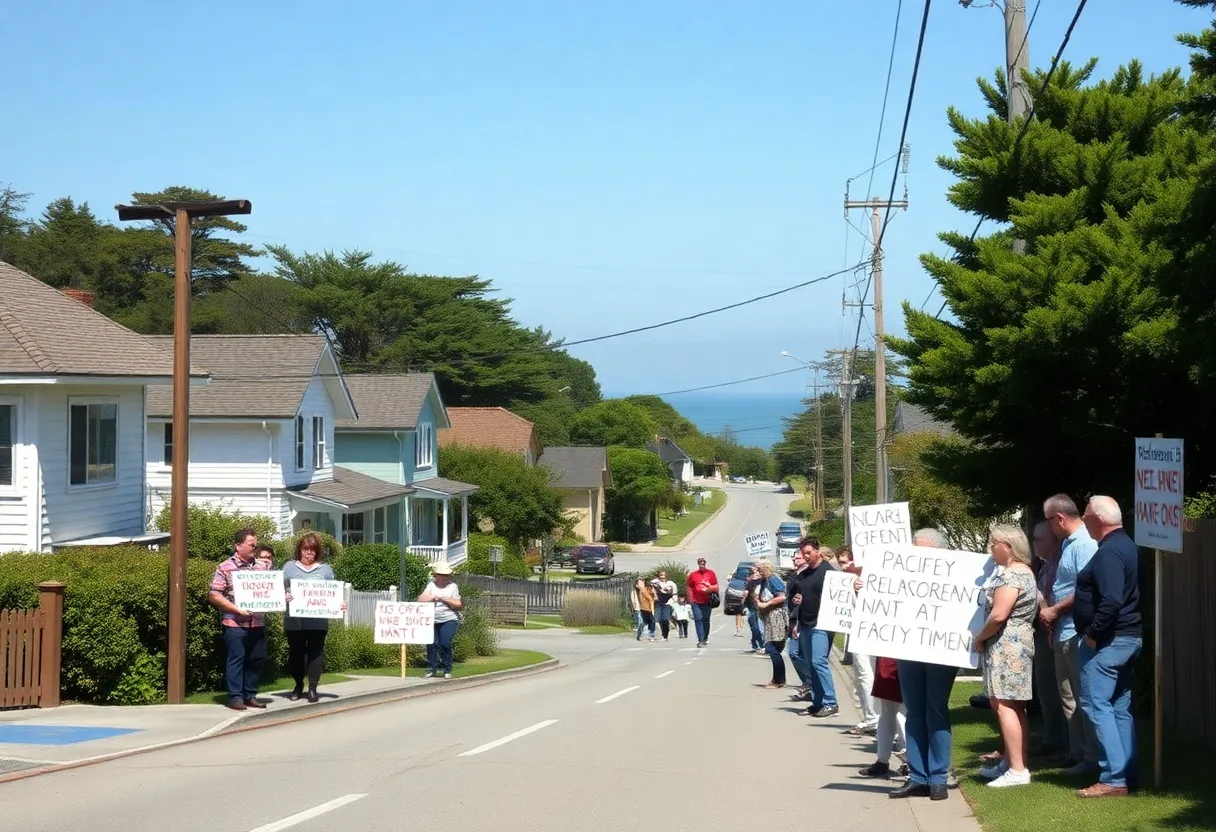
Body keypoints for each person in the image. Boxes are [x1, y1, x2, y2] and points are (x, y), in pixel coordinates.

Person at [1074, 496, 1142, 799]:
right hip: (1126, 638)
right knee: (1118, 707)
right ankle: (1127, 773)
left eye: (1086, 515)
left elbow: (1112, 600)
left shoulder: (1110, 552)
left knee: (1096, 705)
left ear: (1098, 519)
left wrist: (1092, 633)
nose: (1084, 519)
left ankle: (1113, 778)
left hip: (1109, 641)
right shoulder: (1126, 545)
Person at [891, 527, 958, 802]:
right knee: (914, 711)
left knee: (936, 709)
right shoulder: (901, 575)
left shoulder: (957, 575)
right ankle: (918, 777)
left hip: (942, 652)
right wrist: (865, 588)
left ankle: (938, 778)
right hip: (909, 649)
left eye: (923, 550)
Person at [974, 524, 1038, 788]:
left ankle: (1018, 769)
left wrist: (980, 637)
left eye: (995, 543)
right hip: (1017, 643)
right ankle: (1012, 761)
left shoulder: (1012, 576)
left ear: (1009, 548)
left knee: (1004, 704)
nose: (991, 548)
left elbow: (999, 615)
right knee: (1012, 704)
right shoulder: (1025, 573)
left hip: (1007, 644)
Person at [1041, 493, 1101, 776]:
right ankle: (1077, 753)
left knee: (1082, 696)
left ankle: (1092, 757)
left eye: (1049, 522)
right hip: (1063, 631)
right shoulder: (1068, 544)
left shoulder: (1085, 544)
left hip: (1076, 631)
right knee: (1068, 697)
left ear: (1060, 518)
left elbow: (1086, 588)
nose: (1050, 529)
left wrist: (1054, 610)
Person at [208, 528, 273, 711]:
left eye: (255, 544)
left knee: (257, 658)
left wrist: (283, 598)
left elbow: (272, 590)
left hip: (257, 622)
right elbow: (214, 595)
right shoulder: (224, 567)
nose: (255, 547)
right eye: (251, 544)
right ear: (238, 546)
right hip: (234, 623)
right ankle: (235, 697)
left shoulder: (263, 566)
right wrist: (236, 609)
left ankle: (250, 695)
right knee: (236, 659)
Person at [282, 533, 344, 703]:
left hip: (318, 621)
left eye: (312, 550)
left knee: (315, 654)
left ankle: (313, 688)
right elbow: (278, 590)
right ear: (299, 550)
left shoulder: (326, 569)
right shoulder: (289, 567)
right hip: (295, 620)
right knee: (296, 654)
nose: (309, 554)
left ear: (317, 552)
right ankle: (298, 685)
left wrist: (339, 604)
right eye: (305, 550)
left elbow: (332, 594)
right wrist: (284, 596)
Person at [1031, 520, 1068, 758]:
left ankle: (1066, 743)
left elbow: (1058, 596)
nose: (1034, 544)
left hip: (1058, 631)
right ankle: (1052, 739)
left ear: (1052, 540)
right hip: (1045, 633)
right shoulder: (1043, 565)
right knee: (1046, 689)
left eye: (1038, 539)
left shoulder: (1060, 564)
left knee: (1063, 690)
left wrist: (1046, 606)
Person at [789, 537, 837, 718]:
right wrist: (798, 603)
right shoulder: (805, 573)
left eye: (809, 552)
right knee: (810, 664)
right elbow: (800, 594)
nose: (806, 556)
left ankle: (830, 702)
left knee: (819, 661)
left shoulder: (828, 572)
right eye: (803, 553)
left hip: (822, 623)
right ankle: (817, 703)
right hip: (806, 622)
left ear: (817, 551)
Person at [839, 548, 877, 736]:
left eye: (846, 562)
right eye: (841, 563)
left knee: (881, 676)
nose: (844, 566)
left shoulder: (880, 573)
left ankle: (880, 719)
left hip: (879, 633)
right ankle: (870, 717)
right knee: (863, 675)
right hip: (859, 632)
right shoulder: (846, 578)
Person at [418, 562, 463, 679]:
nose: (443, 577)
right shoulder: (431, 586)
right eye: (441, 574)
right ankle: (431, 668)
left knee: (445, 643)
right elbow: (420, 599)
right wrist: (431, 597)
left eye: (446, 575)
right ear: (436, 575)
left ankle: (446, 669)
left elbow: (458, 604)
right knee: (431, 644)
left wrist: (445, 599)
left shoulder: (453, 587)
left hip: (449, 619)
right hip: (431, 619)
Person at [783, 547, 816, 697]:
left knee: (795, 652)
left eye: (798, 558)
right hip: (793, 618)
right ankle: (808, 684)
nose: (795, 561)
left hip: (801, 619)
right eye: (794, 558)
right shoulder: (795, 576)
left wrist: (796, 621)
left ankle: (810, 683)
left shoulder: (807, 577)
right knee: (799, 654)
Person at [753, 560, 790, 689]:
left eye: (759, 569)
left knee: (772, 647)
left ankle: (779, 680)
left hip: (777, 616)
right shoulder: (764, 581)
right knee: (772, 647)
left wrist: (766, 604)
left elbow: (782, 596)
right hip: (768, 616)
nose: (757, 572)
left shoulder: (773, 579)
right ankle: (777, 678)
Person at [685, 557, 720, 648]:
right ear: (698, 564)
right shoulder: (693, 575)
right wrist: (690, 599)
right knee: (698, 619)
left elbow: (716, 586)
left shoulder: (711, 573)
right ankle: (700, 639)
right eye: (700, 563)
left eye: (703, 563)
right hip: (696, 601)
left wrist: (709, 589)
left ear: (705, 564)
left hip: (707, 601)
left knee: (706, 619)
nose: (701, 564)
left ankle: (705, 637)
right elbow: (688, 586)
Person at [743, 566, 765, 653]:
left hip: (762, 607)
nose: (757, 573)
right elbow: (745, 595)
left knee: (760, 628)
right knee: (754, 627)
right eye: (755, 572)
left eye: (758, 571)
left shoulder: (764, 581)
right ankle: (756, 644)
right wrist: (743, 607)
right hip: (751, 607)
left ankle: (760, 644)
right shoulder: (750, 583)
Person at [651, 571, 677, 640]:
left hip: (667, 603)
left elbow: (674, 594)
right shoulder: (654, 582)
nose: (662, 577)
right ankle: (660, 635)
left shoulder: (671, 584)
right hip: (657, 603)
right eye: (661, 575)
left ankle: (665, 635)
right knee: (657, 619)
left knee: (665, 619)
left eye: (664, 575)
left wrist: (673, 601)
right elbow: (650, 590)